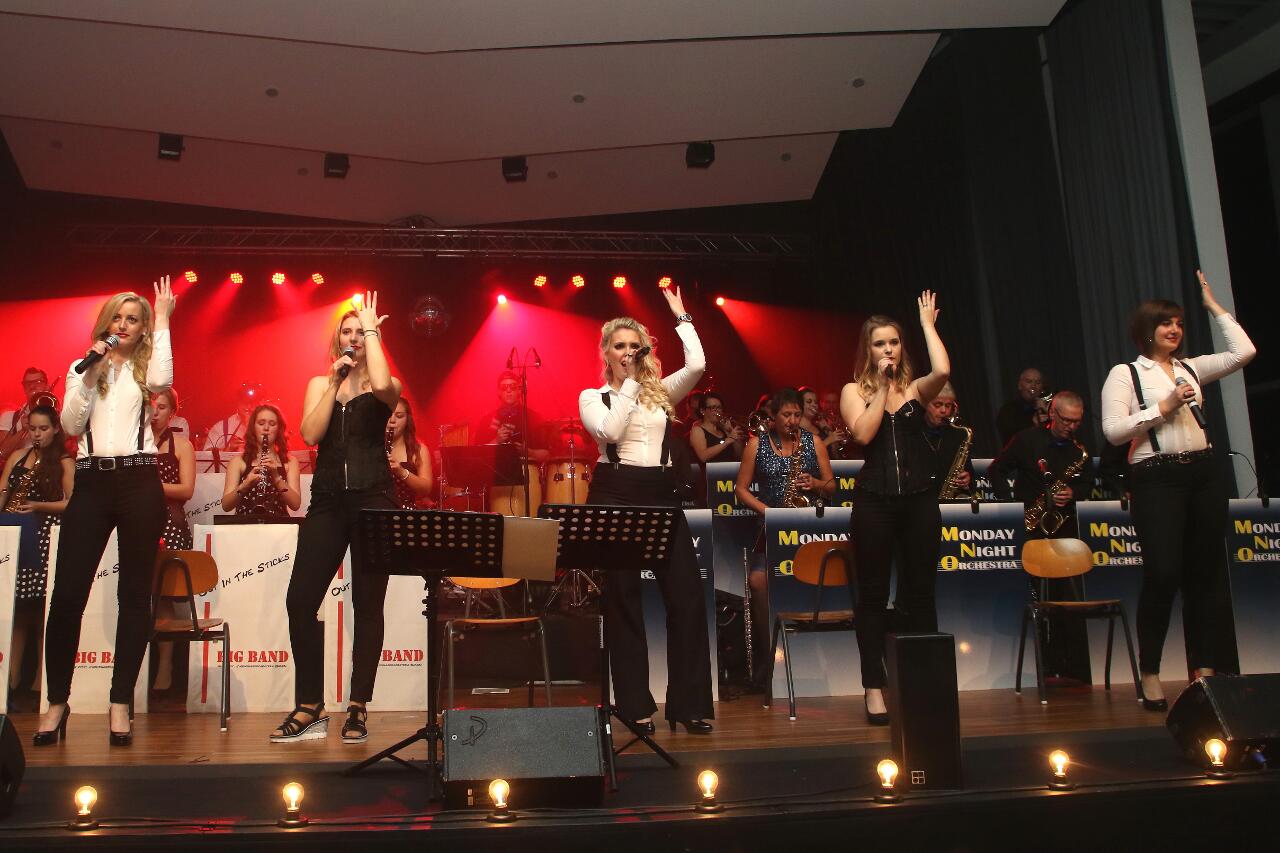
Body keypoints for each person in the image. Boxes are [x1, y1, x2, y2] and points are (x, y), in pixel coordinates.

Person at [1100, 271, 1255, 711]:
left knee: (1204, 575)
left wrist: (1214, 307)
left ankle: (1204, 671)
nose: (1175, 330)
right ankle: (1150, 670)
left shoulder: (1191, 368)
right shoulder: (1127, 374)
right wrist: (1162, 408)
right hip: (1157, 477)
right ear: (1147, 330)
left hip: (1203, 474)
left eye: (1180, 323)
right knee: (1164, 572)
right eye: (1166, 323)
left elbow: (1243, 352)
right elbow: (1114, 431)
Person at [35, 277, 176, 747]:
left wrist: (164, 318)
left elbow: (163, 380)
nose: (123, 324)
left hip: (138, 480)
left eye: (133, 319)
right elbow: (71, 423)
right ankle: (58, 702)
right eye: (117, 317)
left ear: (143, 328)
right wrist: (90, 371)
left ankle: (120, 701)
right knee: (67, 595)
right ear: (105, 323)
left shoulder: (144, 367)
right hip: (92, 481)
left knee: (134, 596)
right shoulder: (83, 366)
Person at [578, 287, 714, 734]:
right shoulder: (592, 396)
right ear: (605, 353)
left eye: (634, 346)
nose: (627, 352)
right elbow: (610, 432)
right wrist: (631, 383)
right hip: (615, 492)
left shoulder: (661, 393)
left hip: (660, 492)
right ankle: (635, 705)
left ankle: (690, 705)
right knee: (624, 598)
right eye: (619, 346)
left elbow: (697, 365)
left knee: (687, 597)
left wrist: (682, 317)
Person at [271, 293, 401, 744]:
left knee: (368, 604)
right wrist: (333, 383)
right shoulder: (319, 382)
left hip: (373, 500)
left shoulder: (387, 383)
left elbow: (382, 383)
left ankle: (359, 704)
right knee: (300, 600)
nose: (354, 338)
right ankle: (311, 704)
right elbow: (310, 434)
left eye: (361, 333)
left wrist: (372, 329)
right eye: (347, 331)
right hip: (327, 501)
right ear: (337, 340)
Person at [839, 291, 950, 725]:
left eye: (894, 342)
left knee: (920, 591)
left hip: (919, 500)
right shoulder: (854, 391)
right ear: (868, 350)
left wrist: (927, 326)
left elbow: (943, 371)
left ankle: (922, 684)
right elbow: (864, 435)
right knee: (872, 596)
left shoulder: (917, 389)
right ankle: (873, 685)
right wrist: (882, 387)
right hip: (875, 503)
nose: (888, 349)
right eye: (880, 343)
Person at [734, 387, 836, 679]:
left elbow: (831, 486)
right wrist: (767, 512)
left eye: (796, 415)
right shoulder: (757, 444)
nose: (792, 420)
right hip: (772, 524)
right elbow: (741, 489)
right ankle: (768, 654)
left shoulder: (813, 441)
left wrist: (815, 483)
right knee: (757, 581)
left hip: (807, 527)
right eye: (786, 414)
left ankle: (819, 652)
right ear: (773, 415)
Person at [0, 404, 73, 705]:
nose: (37, 434)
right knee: (18, 612)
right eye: (33, 429)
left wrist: (38, 506)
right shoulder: (18, 456)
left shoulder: (64, 461)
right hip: (15, 535)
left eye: (43, 429)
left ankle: (39, 684)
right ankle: (12, 679)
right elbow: (3, 490)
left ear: (55, 429)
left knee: (41, 612)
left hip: (45, 538)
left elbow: (72, 503)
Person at [988, 391, 1093, 537]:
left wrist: (1073, 492)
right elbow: (996, 469)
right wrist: (1010, 506)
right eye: (1066, 420)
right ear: (1052, 413)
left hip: (1065, 523)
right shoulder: (1027, 439)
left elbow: (1088, 484)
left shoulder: (1080, 448)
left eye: (1077, 422)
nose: (1071, 427)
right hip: (1029, 521)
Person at [148, 388, 196, 693]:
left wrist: (150, 485)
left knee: (168, 597)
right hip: (137, 521)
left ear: (173, 413)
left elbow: (186, 490)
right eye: (151, 406)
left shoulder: (182, 445)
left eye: (162, 407)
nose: (155, 412)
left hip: (169, 523)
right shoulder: (132, 443)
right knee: (142, 596)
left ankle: (167, 668)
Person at [221, 404, 301, 517]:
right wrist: (245, 485)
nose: (266, 428)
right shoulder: (237, 461)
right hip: (245, 523)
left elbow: (295, 504)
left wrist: (276, 478)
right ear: (253, 427)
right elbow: (226, 505)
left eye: (272, 424)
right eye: (261, 423)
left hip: (278, 525)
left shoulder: (290, 462)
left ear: (279, 429)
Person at [921, 382, 974, 498]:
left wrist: (967, 479)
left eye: (948, 405)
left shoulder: (959, 435)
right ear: (925, 404)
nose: (944, 410)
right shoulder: (913, 432)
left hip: (950, 502)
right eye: (937, 405)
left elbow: (969, 473)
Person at [387, 397, 433, 508]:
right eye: (387, 414)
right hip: (376, 511)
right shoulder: (370, 447)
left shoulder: (418, 449)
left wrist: (402, 472)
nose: (392, 420)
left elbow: (426, 489)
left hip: (405, 513)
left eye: (399, 416)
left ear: (407, 419)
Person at [0, 367, 53, 463]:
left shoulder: (57, 414)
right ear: (23, 387)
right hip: (19, 468)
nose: (32, 386)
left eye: (38, 382)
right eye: (28, 383)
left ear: (46, 385)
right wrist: (23, 430)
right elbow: (2, 453)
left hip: (49, 467)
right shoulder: (9, 417)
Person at [689, 390, 744, 465]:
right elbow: (703, 456)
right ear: (702, 411)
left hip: (729, 470)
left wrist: (731, 433)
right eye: (713, 408)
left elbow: (740, 456)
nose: (717, 411)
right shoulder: (697, 429)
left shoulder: (723, 429)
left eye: (719, 407)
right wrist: (727, 441)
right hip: (708, 472)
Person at [202, 384, 261, 452]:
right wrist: (228, 448)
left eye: (253, 402)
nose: (248, 406)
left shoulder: (267, 427)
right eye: (244, 401)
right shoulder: (221, 427)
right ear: (238, 402)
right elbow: (206, 454)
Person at [996, 367, 1046, 447]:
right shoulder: (1008, 410)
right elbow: (1010, 435)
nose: (1033, 386)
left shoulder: (1045, 408)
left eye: (1038, 382)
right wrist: (1032, 423)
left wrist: (1046, 411)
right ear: (1020, 386)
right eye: (1029, 381)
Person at [799, 386, 850, 456]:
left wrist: (827, 429)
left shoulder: (819, 427)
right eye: (809, 402)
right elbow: (804, 456)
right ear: (800, 404)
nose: (814, 405)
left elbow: (834, 454)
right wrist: (828, 440)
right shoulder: (795, 429)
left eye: (815, 402)